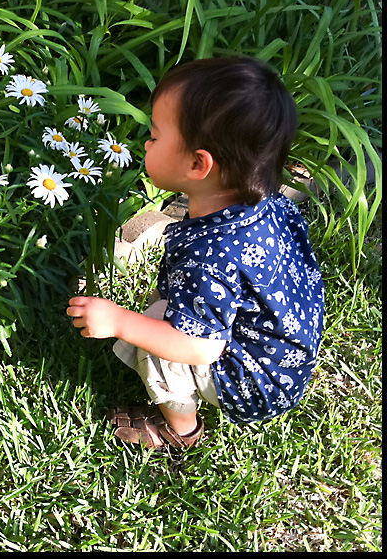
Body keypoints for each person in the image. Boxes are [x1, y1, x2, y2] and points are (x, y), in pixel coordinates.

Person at [66, 56, 325, 449]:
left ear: (197, 163)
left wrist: (120, 321)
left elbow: (200, 346)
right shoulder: (267, 205)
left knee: (158, 337)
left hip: (255, 379)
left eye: (155, 136)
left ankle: (180, 430)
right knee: (169, 316)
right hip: (284, 354)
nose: (146, 143)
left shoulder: (210, 255)